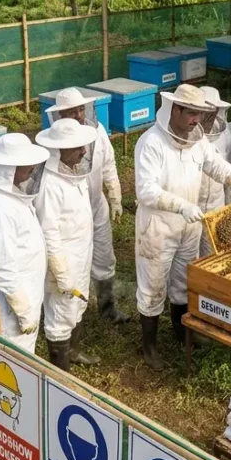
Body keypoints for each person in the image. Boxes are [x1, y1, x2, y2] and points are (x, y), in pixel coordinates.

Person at [134, 84, 231, 370]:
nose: (196, 120)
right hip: (158, 228)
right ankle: (150, 346)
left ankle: (181, 332)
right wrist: (180, 205)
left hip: (189, 226)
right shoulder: (151, 143)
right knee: (153, 285)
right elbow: (145, 190)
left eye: (198, 114)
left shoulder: (198, 141)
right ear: (175, 110)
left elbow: (217, 167)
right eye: (191, 113)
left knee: (183, 280)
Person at [46, 88, 129, 325]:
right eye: (72, 112)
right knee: (70, 264)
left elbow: (108, 163)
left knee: (104, 256)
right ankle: (68, 316)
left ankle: (107, 306)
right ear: (60, 116)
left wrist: (114, 195)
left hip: (96, 205)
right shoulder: (52, 142)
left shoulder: (98, 131)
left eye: (81, 109)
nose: (79, 115)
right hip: (68, 217)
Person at [0, 133, 50, 353]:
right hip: (9, 304)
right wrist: (23, 310)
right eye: (25, 165)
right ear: (7, 170)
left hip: (22, 292)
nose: (31, 169)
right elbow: (2, 267)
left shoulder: (9, 197)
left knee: (22, 356)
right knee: (12, 360)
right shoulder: (0, 208)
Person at [35, 118, 99, 370]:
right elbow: (48, 232)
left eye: (84, 146)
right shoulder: (49, 184)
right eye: (77, 147)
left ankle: (73, 352)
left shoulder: (74, 172)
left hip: (81, 251)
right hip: (63, 258)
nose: (84, 152)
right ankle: (61, 375)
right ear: (57, 151)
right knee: (60, 314)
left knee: (78, 303)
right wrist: (60, 272)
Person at [197, 86, 231, 256]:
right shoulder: (184, 134)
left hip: (216, 204)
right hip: (191, 205)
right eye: (205, 111)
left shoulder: (225, 135)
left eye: (213, 112)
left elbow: (228, 169)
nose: (209, 117)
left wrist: (229, 206)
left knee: (213, 255)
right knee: (187, 257)